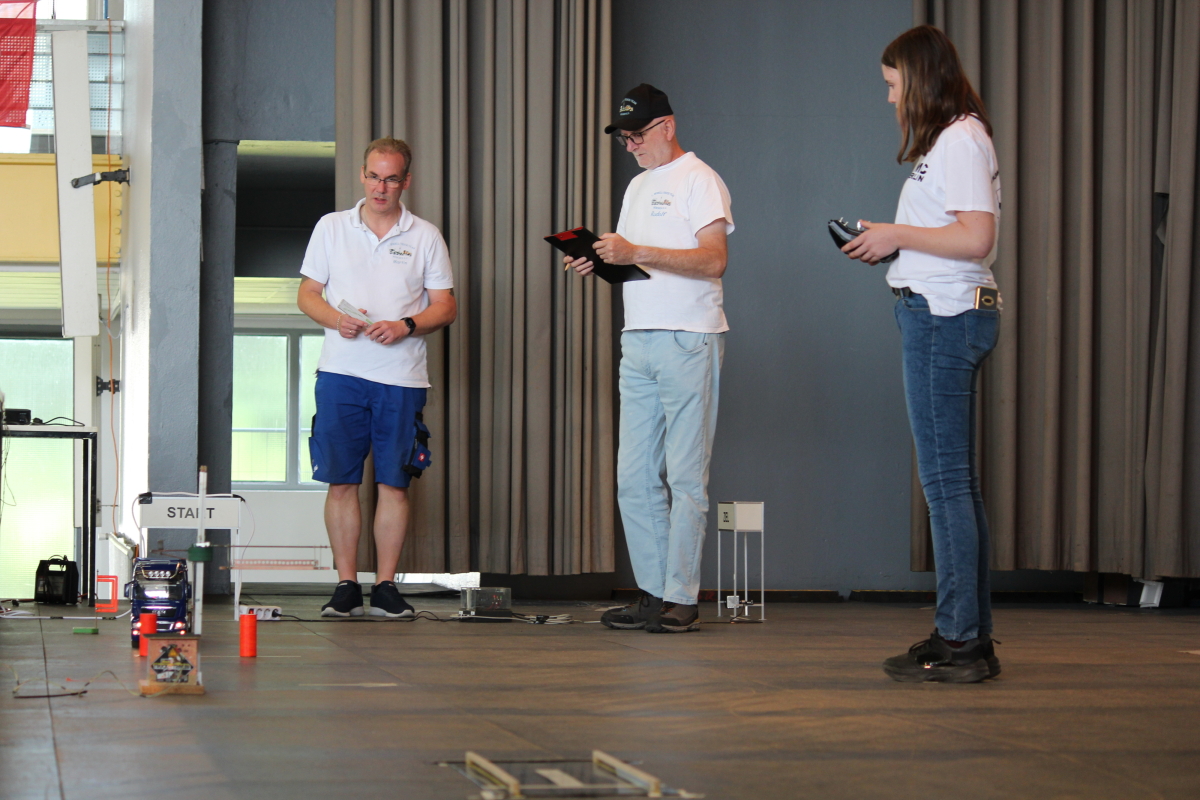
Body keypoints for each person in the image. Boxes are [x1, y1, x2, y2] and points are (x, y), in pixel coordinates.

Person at [843, 26, 1003, 682]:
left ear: (920, 77)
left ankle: (961, 641)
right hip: (943, 314)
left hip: (943, 317)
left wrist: (895, 235)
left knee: (946, 486)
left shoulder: (960, 138)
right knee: (956, 484)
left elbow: (976, 239)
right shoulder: (955, 139)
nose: (890, 98)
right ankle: (968, 635)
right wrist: (892, 241)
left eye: (893, 84)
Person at [565, 84, 734, 633]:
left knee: (685, 477)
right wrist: (602, 260)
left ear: (667, 126)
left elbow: (713, 261)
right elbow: (640, 266)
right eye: (624, 138)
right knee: (634, 477)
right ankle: (654, 593)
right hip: (637, 337)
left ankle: (682, 598)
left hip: (689, 338)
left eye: (638, 134)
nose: (632, 146)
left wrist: (634, 250)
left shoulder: (700, 179)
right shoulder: (637, 186)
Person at [297, 137, 456, 619]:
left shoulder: (425, 235)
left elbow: (446, 306)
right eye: (373, 176)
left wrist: (406, 325)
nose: (380, 187)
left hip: (401, 378)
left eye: (390, 179)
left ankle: (386, 586)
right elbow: (307, 294)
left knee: (394, 483)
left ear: (406, 181)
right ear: (362, 175)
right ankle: (346, 585)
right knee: (340, 482)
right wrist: (335, 319)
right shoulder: (331, 227)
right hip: (340, 374)